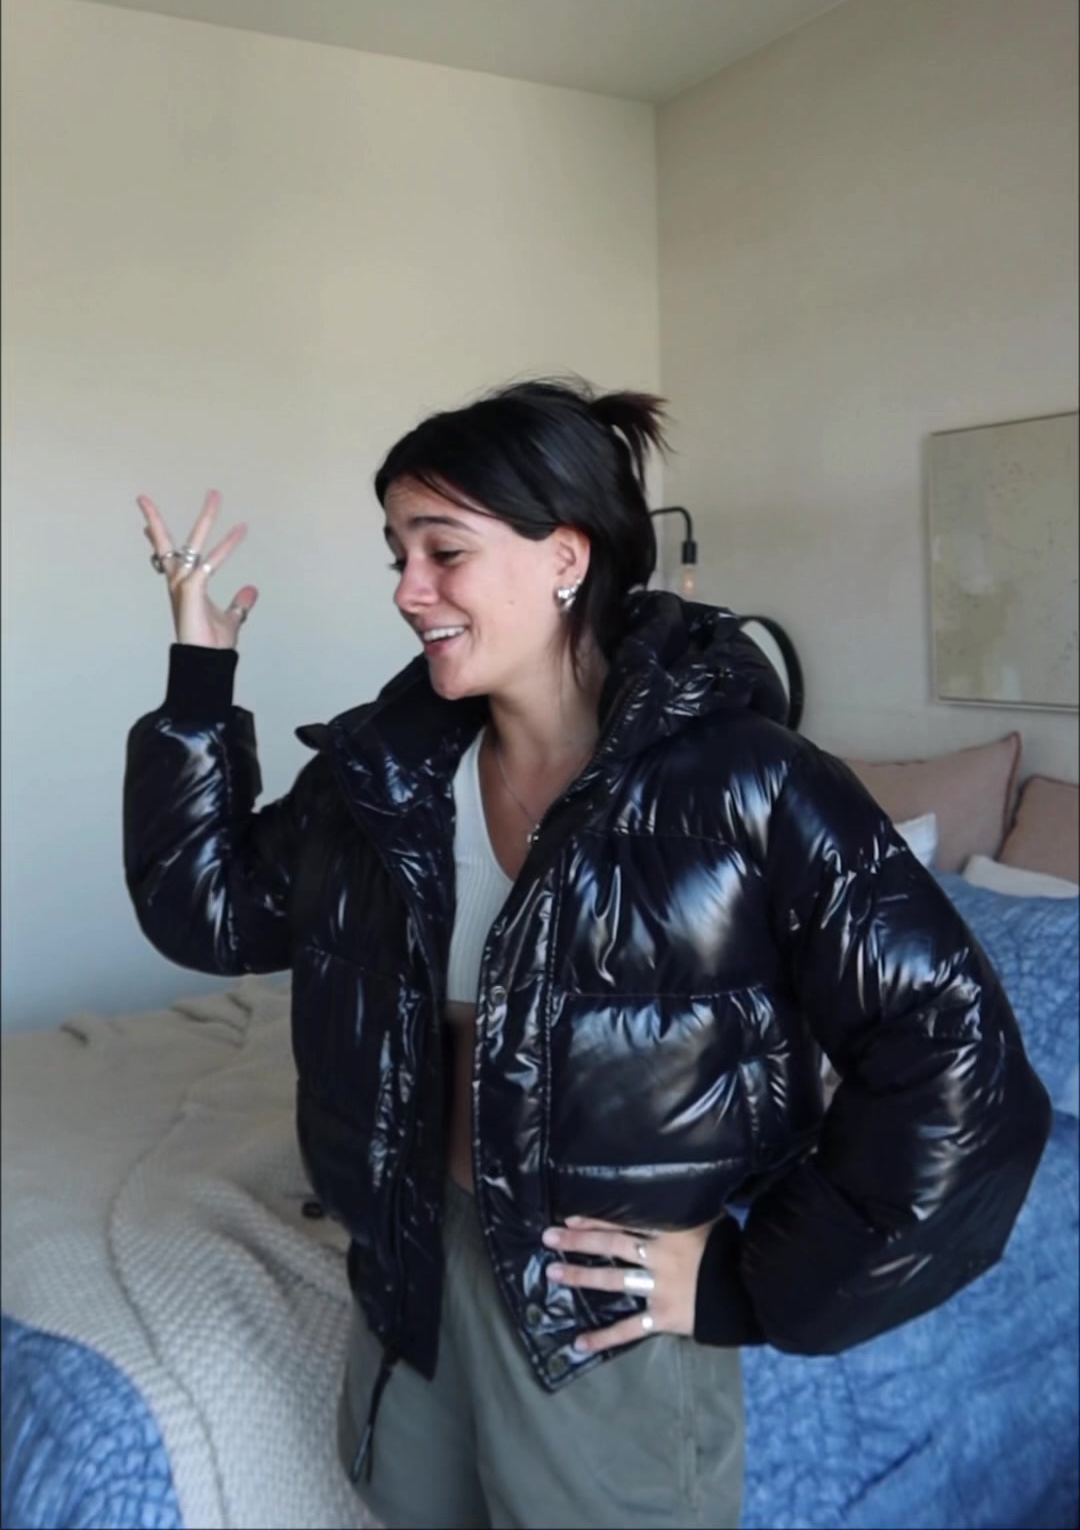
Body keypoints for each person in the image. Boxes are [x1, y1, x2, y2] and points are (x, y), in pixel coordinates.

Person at [124, 378, 1050, 1530]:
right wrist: (198, 677)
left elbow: (960, 1063)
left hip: (598, 1318)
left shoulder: (750, 785)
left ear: (565, 557)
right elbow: (213, 915)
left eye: (444, 551)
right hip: (414, 1264)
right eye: (397, 554)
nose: (408, 590)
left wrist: (751, 1278)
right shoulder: (389, 777)